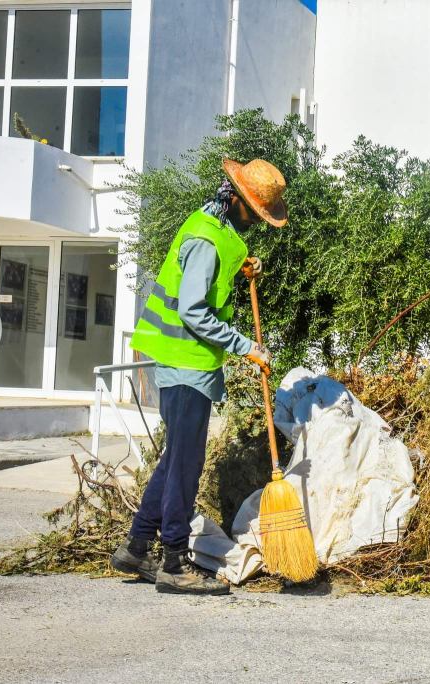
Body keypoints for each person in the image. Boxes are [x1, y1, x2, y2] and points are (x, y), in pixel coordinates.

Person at [111, 159, 288, 595]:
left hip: (186, 364)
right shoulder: (207, 240)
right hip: (186, 365)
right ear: (240, 202)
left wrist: (245, 264)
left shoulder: (213, 223)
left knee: (175, 459)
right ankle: (174, 562)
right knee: (186, 465)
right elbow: (193, 311)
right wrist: (246, 346)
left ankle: (135, 547)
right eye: (257, 214)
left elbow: (214, 269)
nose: (258, 222)